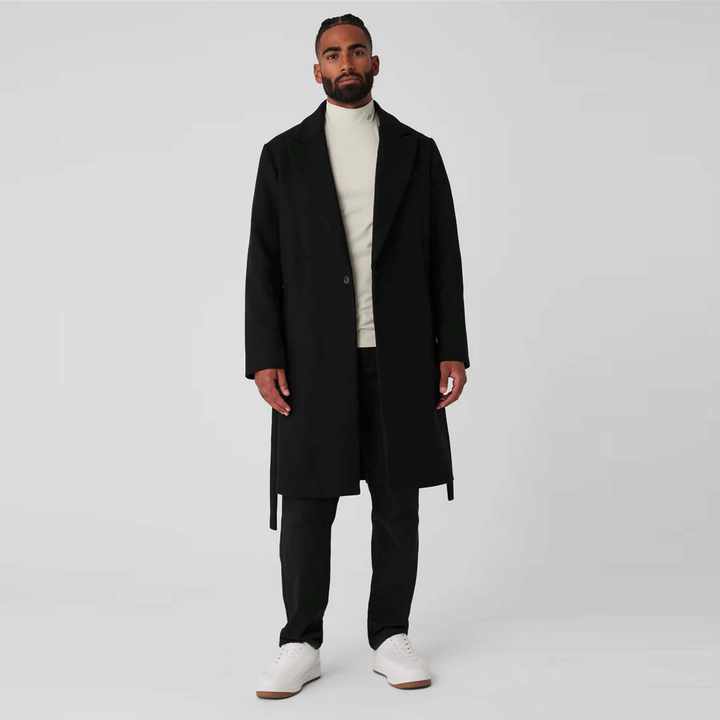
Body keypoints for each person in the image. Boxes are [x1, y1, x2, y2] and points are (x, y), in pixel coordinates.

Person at [246, 14, 470, 699]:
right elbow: (263, 263)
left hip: (401, 354)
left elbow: (443, 255)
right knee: (306, 501)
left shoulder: (416, 152)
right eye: (332, 53)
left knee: (398, 504)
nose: (345, 62)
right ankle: (299, 641)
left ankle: (391, 635)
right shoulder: (283, 156)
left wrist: (453, 347)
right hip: (314, 359)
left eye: (357, 50)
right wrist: (264, 355)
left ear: (375, 62)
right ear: (316, 70)